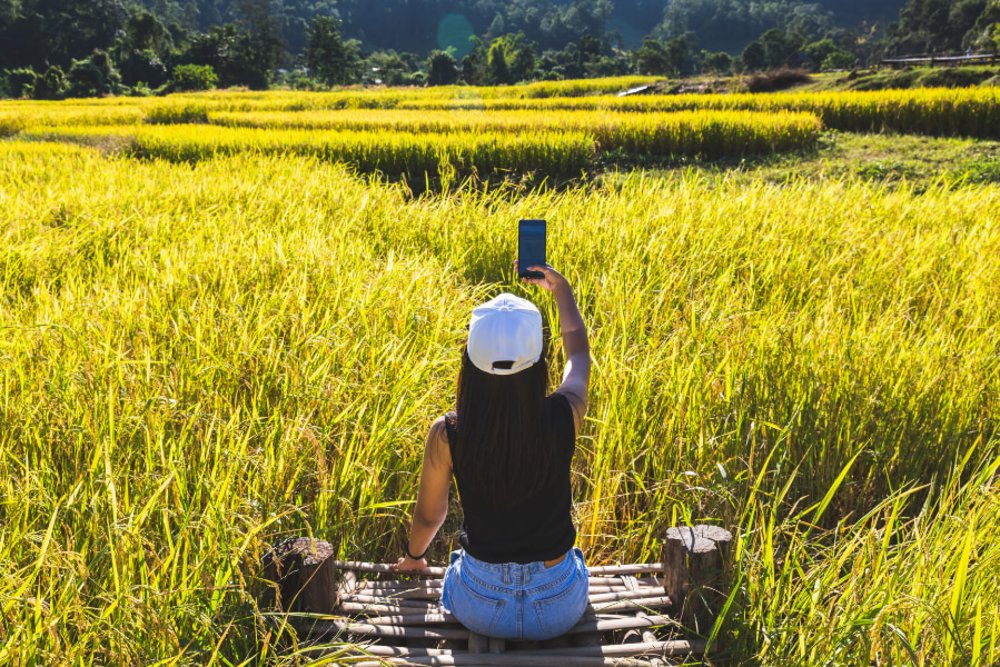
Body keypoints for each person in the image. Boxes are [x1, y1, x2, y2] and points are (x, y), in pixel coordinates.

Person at [392, 263, 591, 641]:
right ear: (538, 362)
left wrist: (414, 557)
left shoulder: (448, 433)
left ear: (469, 359)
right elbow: (578, 352)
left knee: (458, 567)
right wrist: (561, 291)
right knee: (575, 564)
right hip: (558, 606)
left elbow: (431, 514)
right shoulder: (566, 414)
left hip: (481, 604)